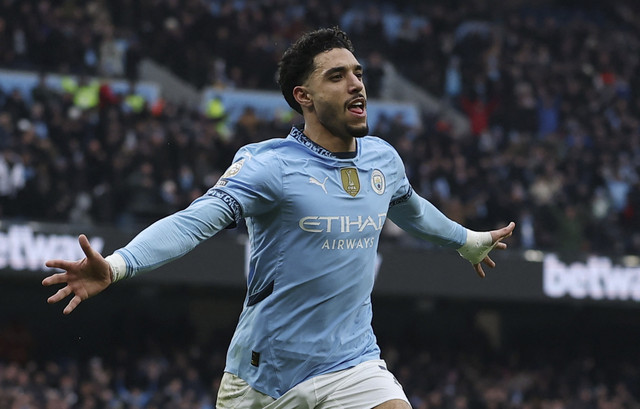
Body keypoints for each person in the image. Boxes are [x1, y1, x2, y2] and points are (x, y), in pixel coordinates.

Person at [43, 27, 515, 409]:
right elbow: (194, 221)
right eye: (337, 76)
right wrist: (119, 264)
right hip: (265, 377)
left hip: (353, 363)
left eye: (358, 72)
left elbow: (409, 208)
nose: (356, 84)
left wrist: (464, 240)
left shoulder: (382, 160)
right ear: (303, 96)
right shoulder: (271, 165)